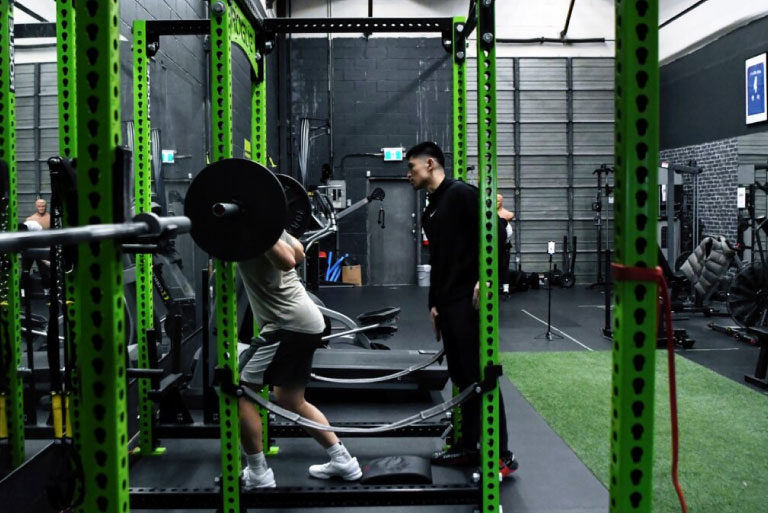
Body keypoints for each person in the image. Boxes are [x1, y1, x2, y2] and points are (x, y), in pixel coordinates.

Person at [406, 141, 518, 478]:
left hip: (469, 304)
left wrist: (489, 278)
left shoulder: (459, 194)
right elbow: (439, 261)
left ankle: (501, 456)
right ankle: (469, 446)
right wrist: (433, 305)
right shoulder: (431, 208)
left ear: (430, 164)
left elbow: (497, 230)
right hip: (448, 304)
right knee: (461, 378)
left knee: (480, 377)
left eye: (411, 167)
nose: (408, 174)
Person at [236, 230, 362, 489]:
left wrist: (256, 227)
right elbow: (300, 251)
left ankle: (257, 472)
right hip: (305, 321)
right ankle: (343, 460)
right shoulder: (272, 224)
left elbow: (290, 260)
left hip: (287, 323)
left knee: (241, 392)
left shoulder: (259, 225)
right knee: (290, 399)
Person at [497, 194, 514, 297]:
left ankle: (505, 289)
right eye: (495, 200)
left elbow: (509, 232)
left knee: (504, 267)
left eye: (499, 200)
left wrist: (502, 241)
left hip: (503, 245)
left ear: (502, 201)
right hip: (492, 245)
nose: (497, 202)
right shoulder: (488, 214)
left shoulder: (507, 215)